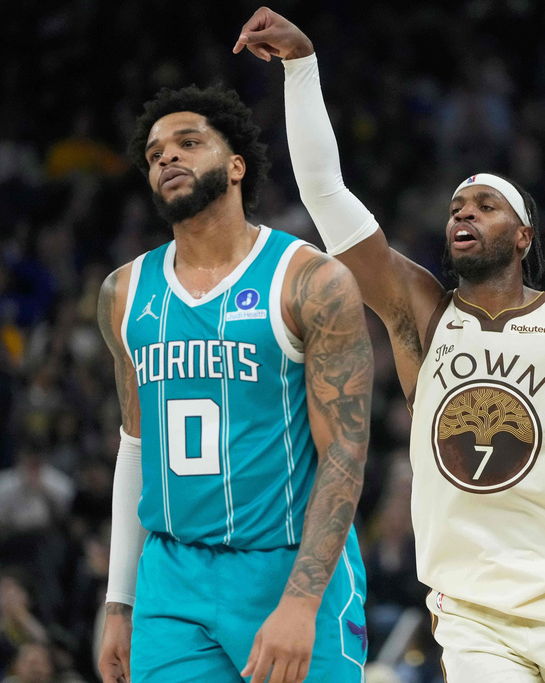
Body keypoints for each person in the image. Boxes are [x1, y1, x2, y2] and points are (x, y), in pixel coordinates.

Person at [234, 8, 545, 682]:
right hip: (472, 613)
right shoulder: (419, 312)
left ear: (522, 236)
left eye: (484, 205)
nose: (464, 213)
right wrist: (303, 68)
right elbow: (327, 195)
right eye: (457, 206)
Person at [95, 81, 374, 683]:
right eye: (154, 153)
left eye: (188, 142)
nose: (166, 157)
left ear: (237, 165)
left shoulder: (311, 281)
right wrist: (120, 602)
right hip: (172, 579)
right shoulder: (123, 293)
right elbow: (136, 445)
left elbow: (345, 453)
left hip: (289, 568)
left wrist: (301, 603)